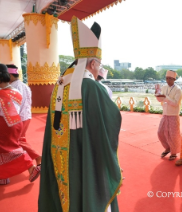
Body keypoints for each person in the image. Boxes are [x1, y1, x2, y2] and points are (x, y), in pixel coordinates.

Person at [38, 16, 122, 212]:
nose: (99, 69)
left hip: (61, 158)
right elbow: (109, 123)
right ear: (92, 64)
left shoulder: (59, 86)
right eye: (99, 65)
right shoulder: (92, 88)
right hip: (86, 159)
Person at [0, 64, 41, 185]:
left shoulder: (1, 94)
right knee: (11, 148)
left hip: (4, 125)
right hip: (16, 121)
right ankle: (2, 176)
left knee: (10, 149)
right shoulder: (16, 90)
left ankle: (31, 166)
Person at [6, 64, 41, 165]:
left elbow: (13, 107)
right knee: (21, 139)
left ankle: (37, 157)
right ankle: (22, 159)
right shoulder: (24, 85)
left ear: (10, 76)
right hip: (26, 116)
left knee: (16, 141)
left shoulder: (13, 88)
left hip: (19, 118)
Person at [156, 70, 182, 160]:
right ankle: (167, 148)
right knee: (160, 132)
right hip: (165, 114)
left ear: (174, 79)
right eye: (167, 78)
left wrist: (165, 97)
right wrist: (157, 95)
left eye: (170, 79)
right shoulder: (164, 87)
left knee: (173, 135)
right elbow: (160, 100)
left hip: (173, 115)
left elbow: (175, 103)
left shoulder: (178, 90)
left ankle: (174, 152)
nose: (168, 80)